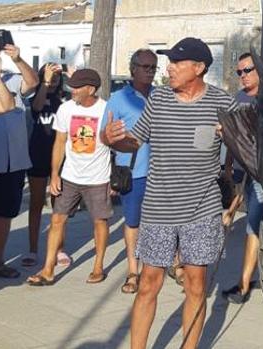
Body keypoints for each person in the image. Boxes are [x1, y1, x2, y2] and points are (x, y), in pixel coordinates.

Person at [104, 37, 237, 349]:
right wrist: (111, 140)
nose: (168, 68)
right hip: (158, 208)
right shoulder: (160, 98)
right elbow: (133, 141)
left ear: (199, 68)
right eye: (169, 62)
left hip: (202, 210)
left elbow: (254, 142)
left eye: (177, 63)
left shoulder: (222, 102)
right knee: (149, 284)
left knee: (196, 286)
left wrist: (233, 134)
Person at [27, 69, 111, 286]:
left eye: (77, 87)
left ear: (91, 89)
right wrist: (55, 174)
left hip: (98, 177)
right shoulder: (66, 108)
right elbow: (59, 142)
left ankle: (98, 266)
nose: (71, 90)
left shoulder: (107, 110)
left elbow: (115, 145)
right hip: (70, 176)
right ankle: (47, 269)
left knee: (99, 221)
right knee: (57, 219)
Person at [102, 49, 157, 294]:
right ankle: (133, 271)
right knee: (133, 223)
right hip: (134, 171)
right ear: (133, 68)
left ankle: (165, 265)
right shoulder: (118, 98)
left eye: (153, 67)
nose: (149, 71)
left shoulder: (162, 95)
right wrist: (109, 136)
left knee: (159, 222)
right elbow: (104, 136)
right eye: (144, 66)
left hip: (162, 172)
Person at [222, 52, 263, 304]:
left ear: (259, 70)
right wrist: (228, 166)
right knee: (254, 225)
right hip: (245, 173)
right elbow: (232, 136)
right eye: (239, 72)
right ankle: (250, 278)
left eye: (248, 70)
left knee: (253, 225)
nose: (243, 76)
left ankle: (243, 284)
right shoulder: (238, 99)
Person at [0, 44, 39, 278]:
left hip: (14, 160)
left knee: (5, 213)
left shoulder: (12, 78)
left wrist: (18, 59)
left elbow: (32, 83)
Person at [22, 63, 71, 268]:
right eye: (52, 74)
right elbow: (38, 107)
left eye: (58, 76)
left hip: (59, 157)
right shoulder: (36, 96)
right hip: (38, 155)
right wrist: (45, 82)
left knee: (59, 207)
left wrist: (71, 75)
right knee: (36, 204)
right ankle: (33, 250)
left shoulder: (65, 100)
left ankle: (59, 249)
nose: (55, 79)